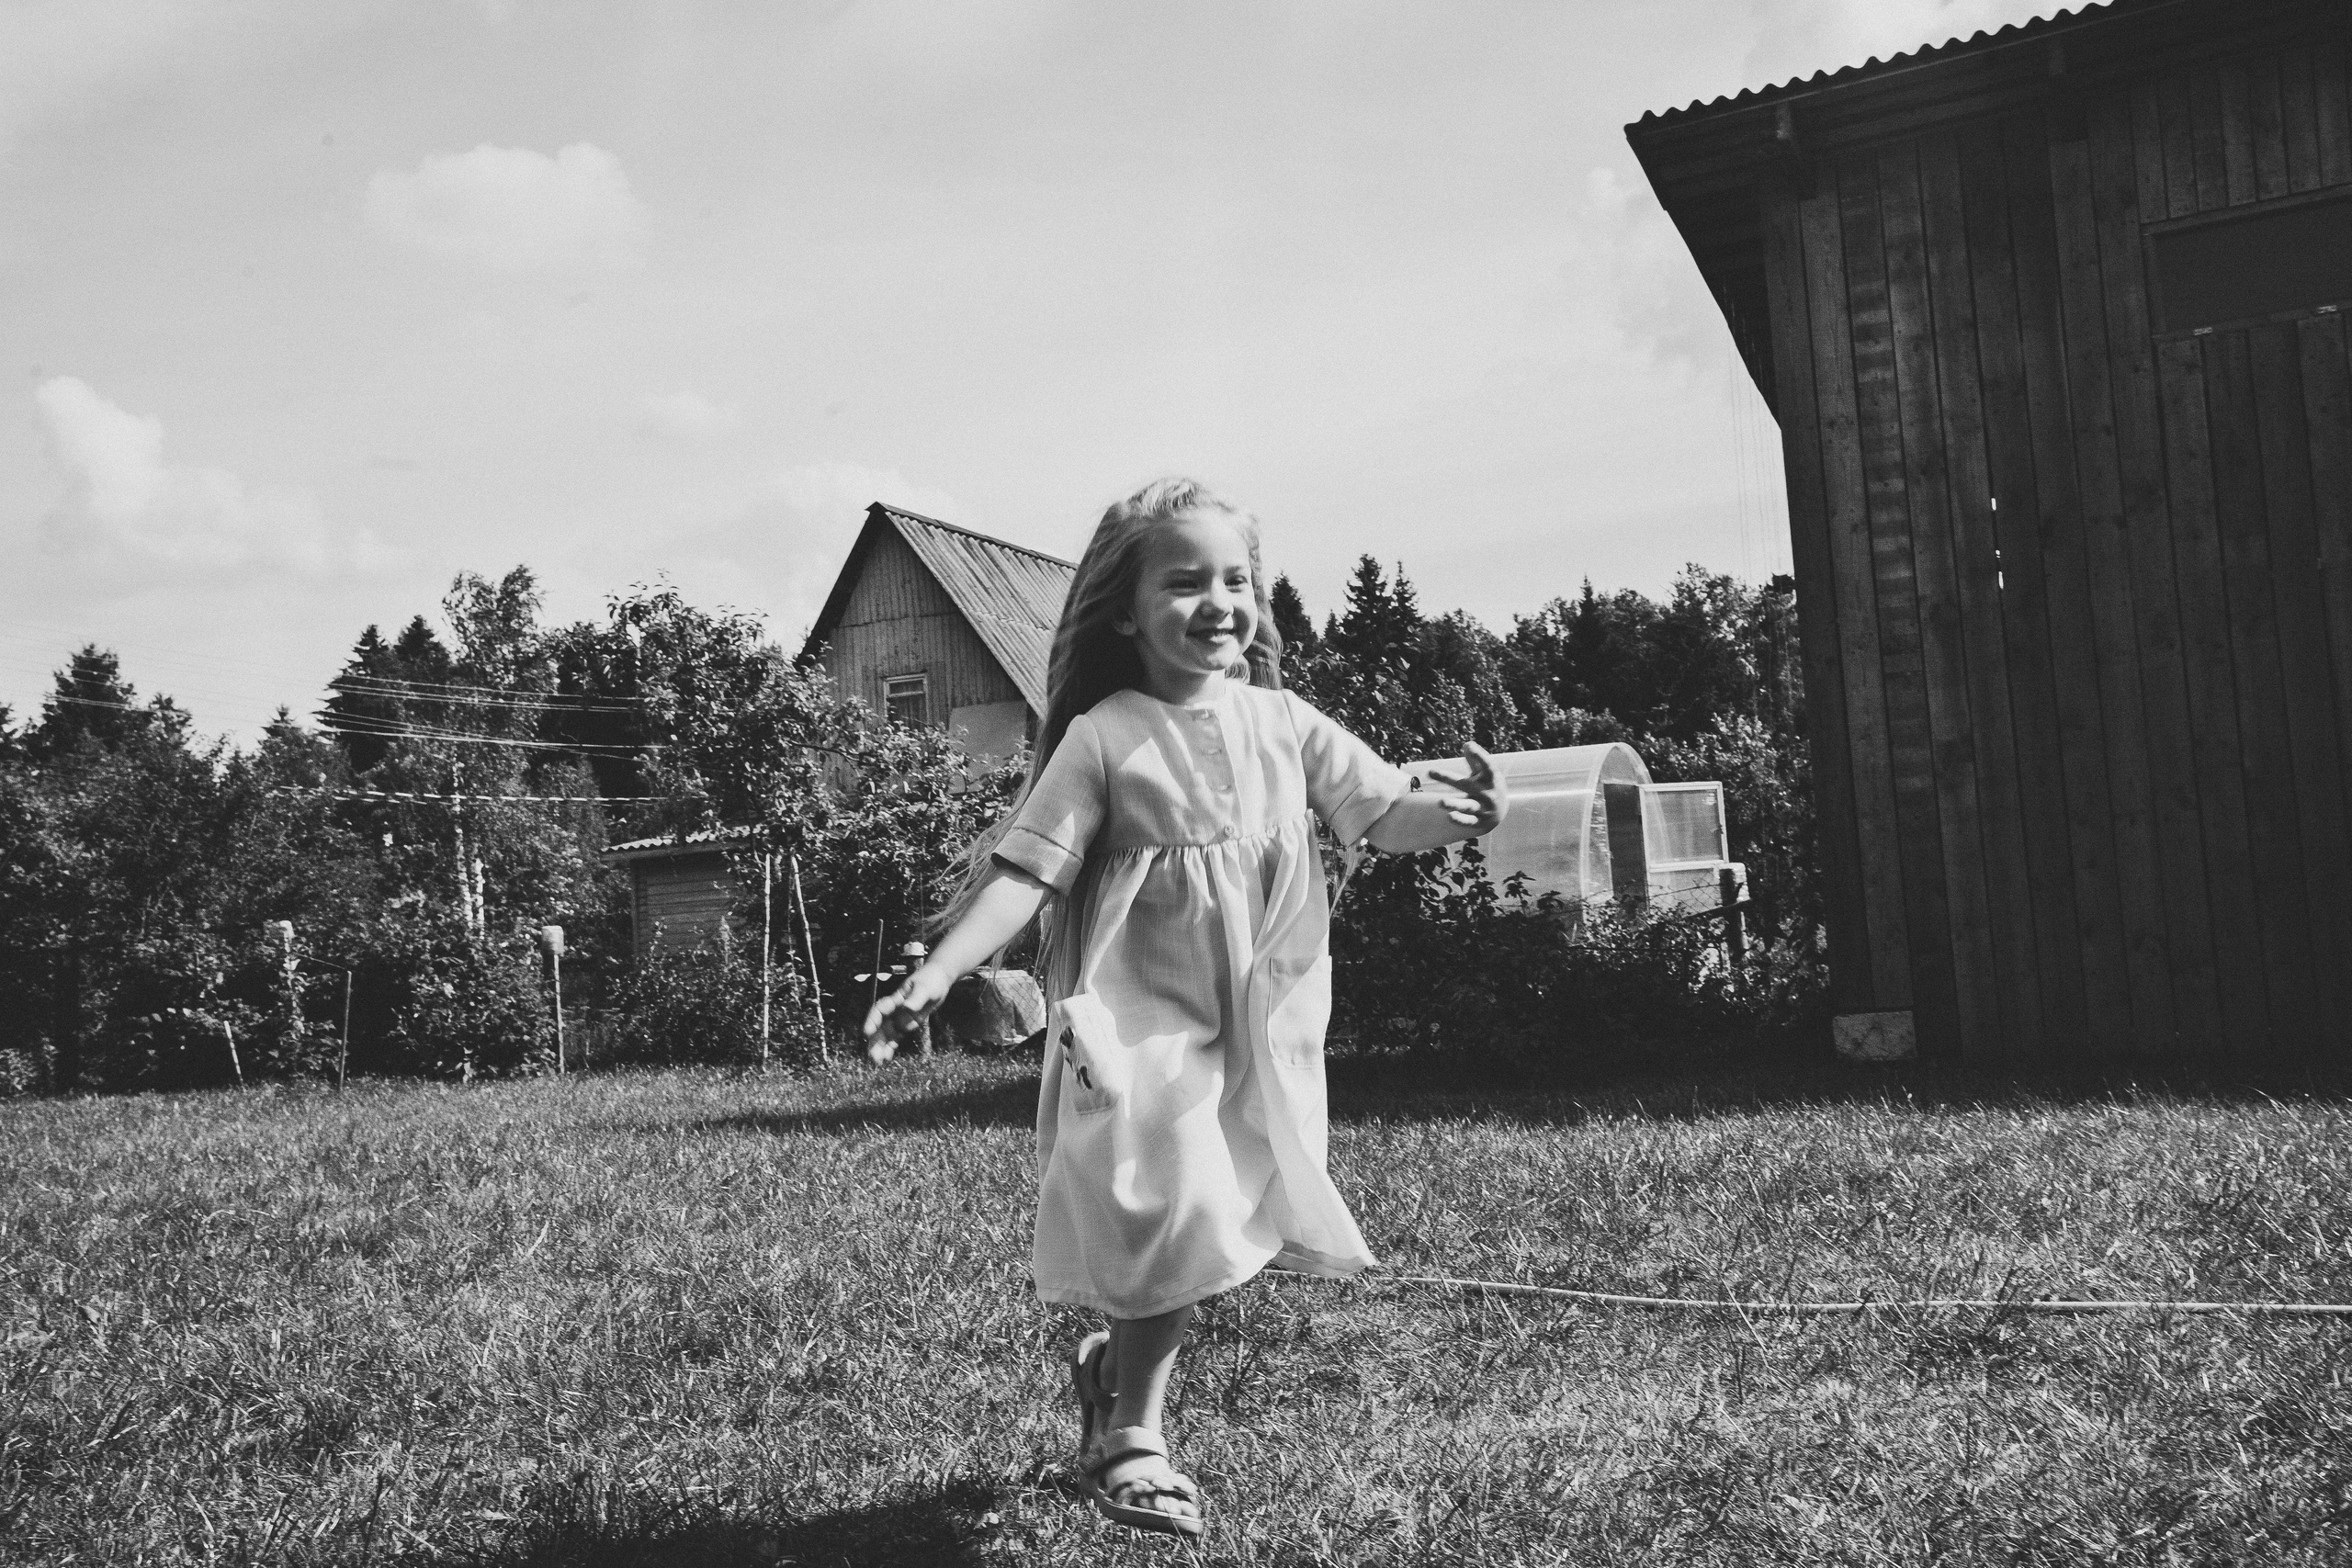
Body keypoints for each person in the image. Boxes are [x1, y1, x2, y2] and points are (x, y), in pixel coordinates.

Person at [863, 477, 1505, 1540]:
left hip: (1254, 1015)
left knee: (1202, 1210)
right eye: (1185, 581)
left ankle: (1110, 1370)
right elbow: (1027, 872)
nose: (1219, 602)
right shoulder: (1107, 736)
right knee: (1184, 1197)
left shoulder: (1282, 722)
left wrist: (1458, 815)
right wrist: (938, 971)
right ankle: (1134, 1440)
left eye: (1236, 579)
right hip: (1138, 1016)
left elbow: (1383, 814)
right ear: (1125, 609)